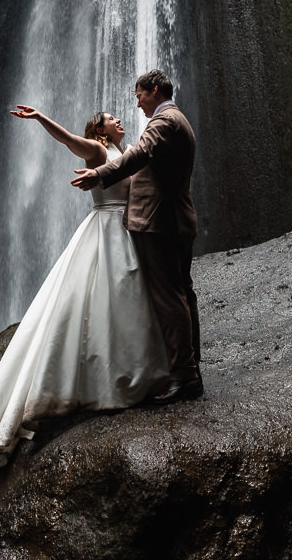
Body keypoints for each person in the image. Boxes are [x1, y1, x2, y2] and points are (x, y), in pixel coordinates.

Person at [0, 104, 170, 503]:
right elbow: (70, 142)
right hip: (107, 231)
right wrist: (42, 119)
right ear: (100, 129)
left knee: (122, 305)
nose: (119, 119)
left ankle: (130, 374)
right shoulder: (97, 148)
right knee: (100, 304)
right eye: (112, 118)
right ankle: (109, 381)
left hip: (126, 230)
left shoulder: (128, 152)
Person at [72, 69, 201, 405]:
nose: (138, 103)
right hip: (176, 219)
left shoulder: (164, 122)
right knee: (182, 292)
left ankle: (184, 375)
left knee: (169, 296)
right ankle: (190, 366)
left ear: (154, 90)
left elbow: (140, 154)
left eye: (140, 95)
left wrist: (99, 174)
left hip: (161, 222)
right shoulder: (177, 120)